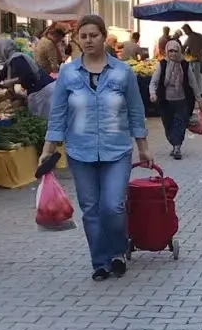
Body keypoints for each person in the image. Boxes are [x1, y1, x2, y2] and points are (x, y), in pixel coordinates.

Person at [43, 14, 153, 282]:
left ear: (104, 37)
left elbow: (136, 112)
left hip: (117, 150)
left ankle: (117, 250)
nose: (89, 40)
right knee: (91, 209)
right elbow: (57, 115)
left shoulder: (122, 72)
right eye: (83, 36)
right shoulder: (68, 73)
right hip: (80, 152)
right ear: (78, 40)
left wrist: (143, 147)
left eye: (94, 35)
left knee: (113, 206)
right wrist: (48, 149)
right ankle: (100, 262)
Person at [149, 40, 202, 160]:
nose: (173, 54)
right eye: (171, 51)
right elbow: (154, 82)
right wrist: (153, 94)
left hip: (182, 100)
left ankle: (177, 147)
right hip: (166, 101)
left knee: (180, 124)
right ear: (167, 52)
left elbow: (193, 83)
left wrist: (199, 98)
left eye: (176, 51)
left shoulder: (185, 65)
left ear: (180, 51)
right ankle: (174, 144)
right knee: (168, 125)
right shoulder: (162, 64)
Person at [0, 37, 55, 117]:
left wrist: (10, 82)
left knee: (46, 121)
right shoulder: (12, 60)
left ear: (2, 50)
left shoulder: (17, 59)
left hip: (44, 92)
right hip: (44, 90)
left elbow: (28, 76)